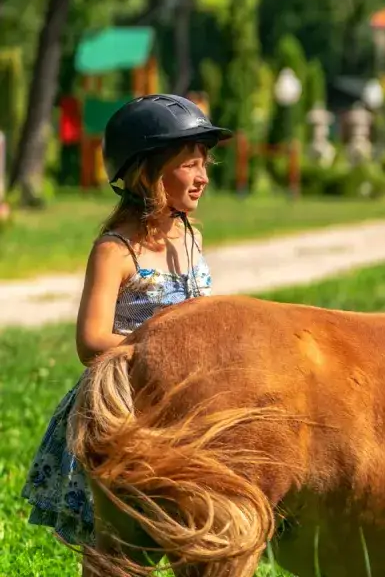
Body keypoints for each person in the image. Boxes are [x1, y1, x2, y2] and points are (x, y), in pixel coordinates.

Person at [21, 93, 231, 550]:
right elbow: (91, 340)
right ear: (147, 172)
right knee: (116, 549)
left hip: (182, 404)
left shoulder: (190, 236)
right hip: (126, 411)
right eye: (189, 165)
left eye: (205, 165)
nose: (202, 177)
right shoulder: (116, 251)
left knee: (191, 537)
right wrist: (165, 346)